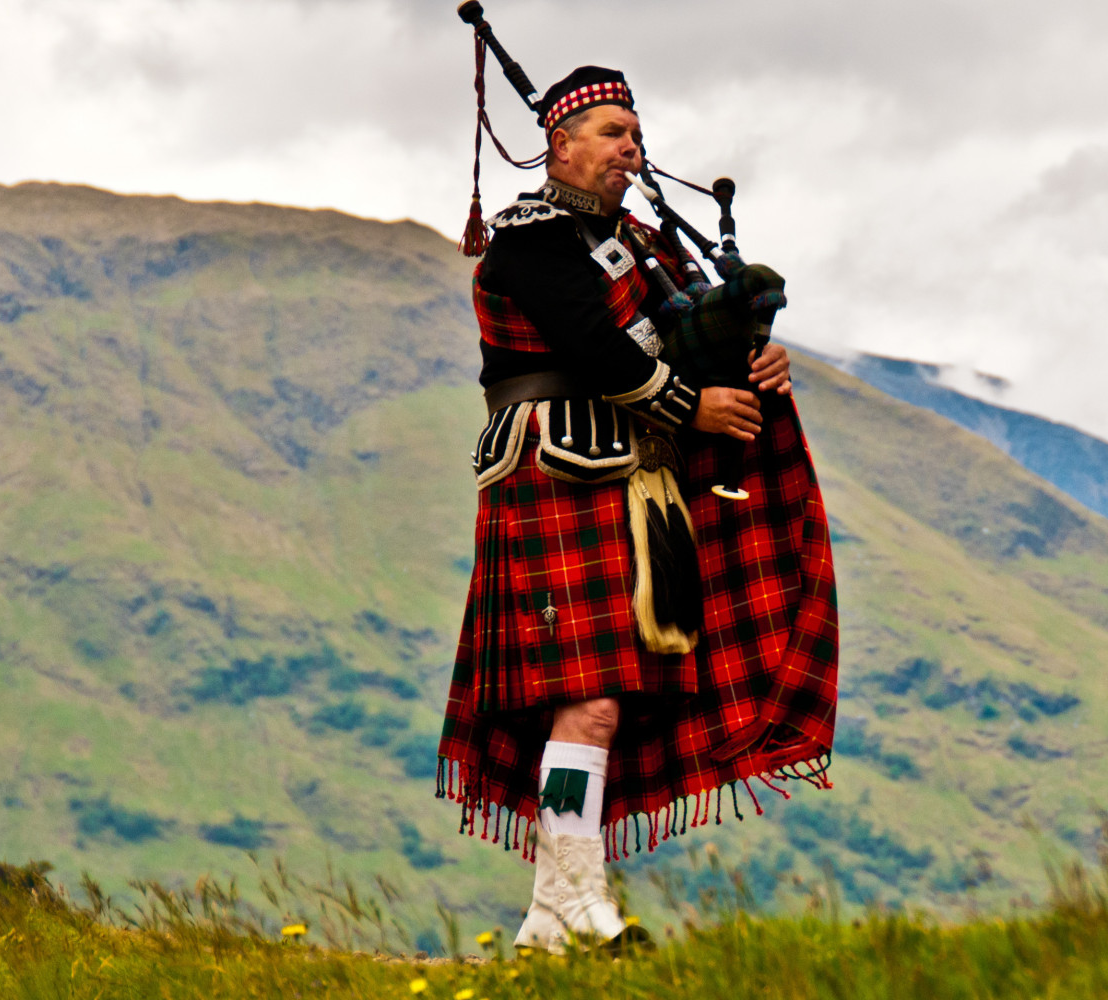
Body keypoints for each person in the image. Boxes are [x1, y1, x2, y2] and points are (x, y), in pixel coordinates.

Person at [434, 66, 839, 954]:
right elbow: (596, 345)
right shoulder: (531, 241)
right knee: (587, 701)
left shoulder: (640, 247)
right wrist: (693, 406)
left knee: (599, 702)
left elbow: (690, 331)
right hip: (552, 470)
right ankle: (580, 905)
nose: (630, 148)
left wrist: (752, 364)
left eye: (635, 133)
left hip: (624, 479)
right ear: (560, 143)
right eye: (613, 132)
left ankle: (557, 911)